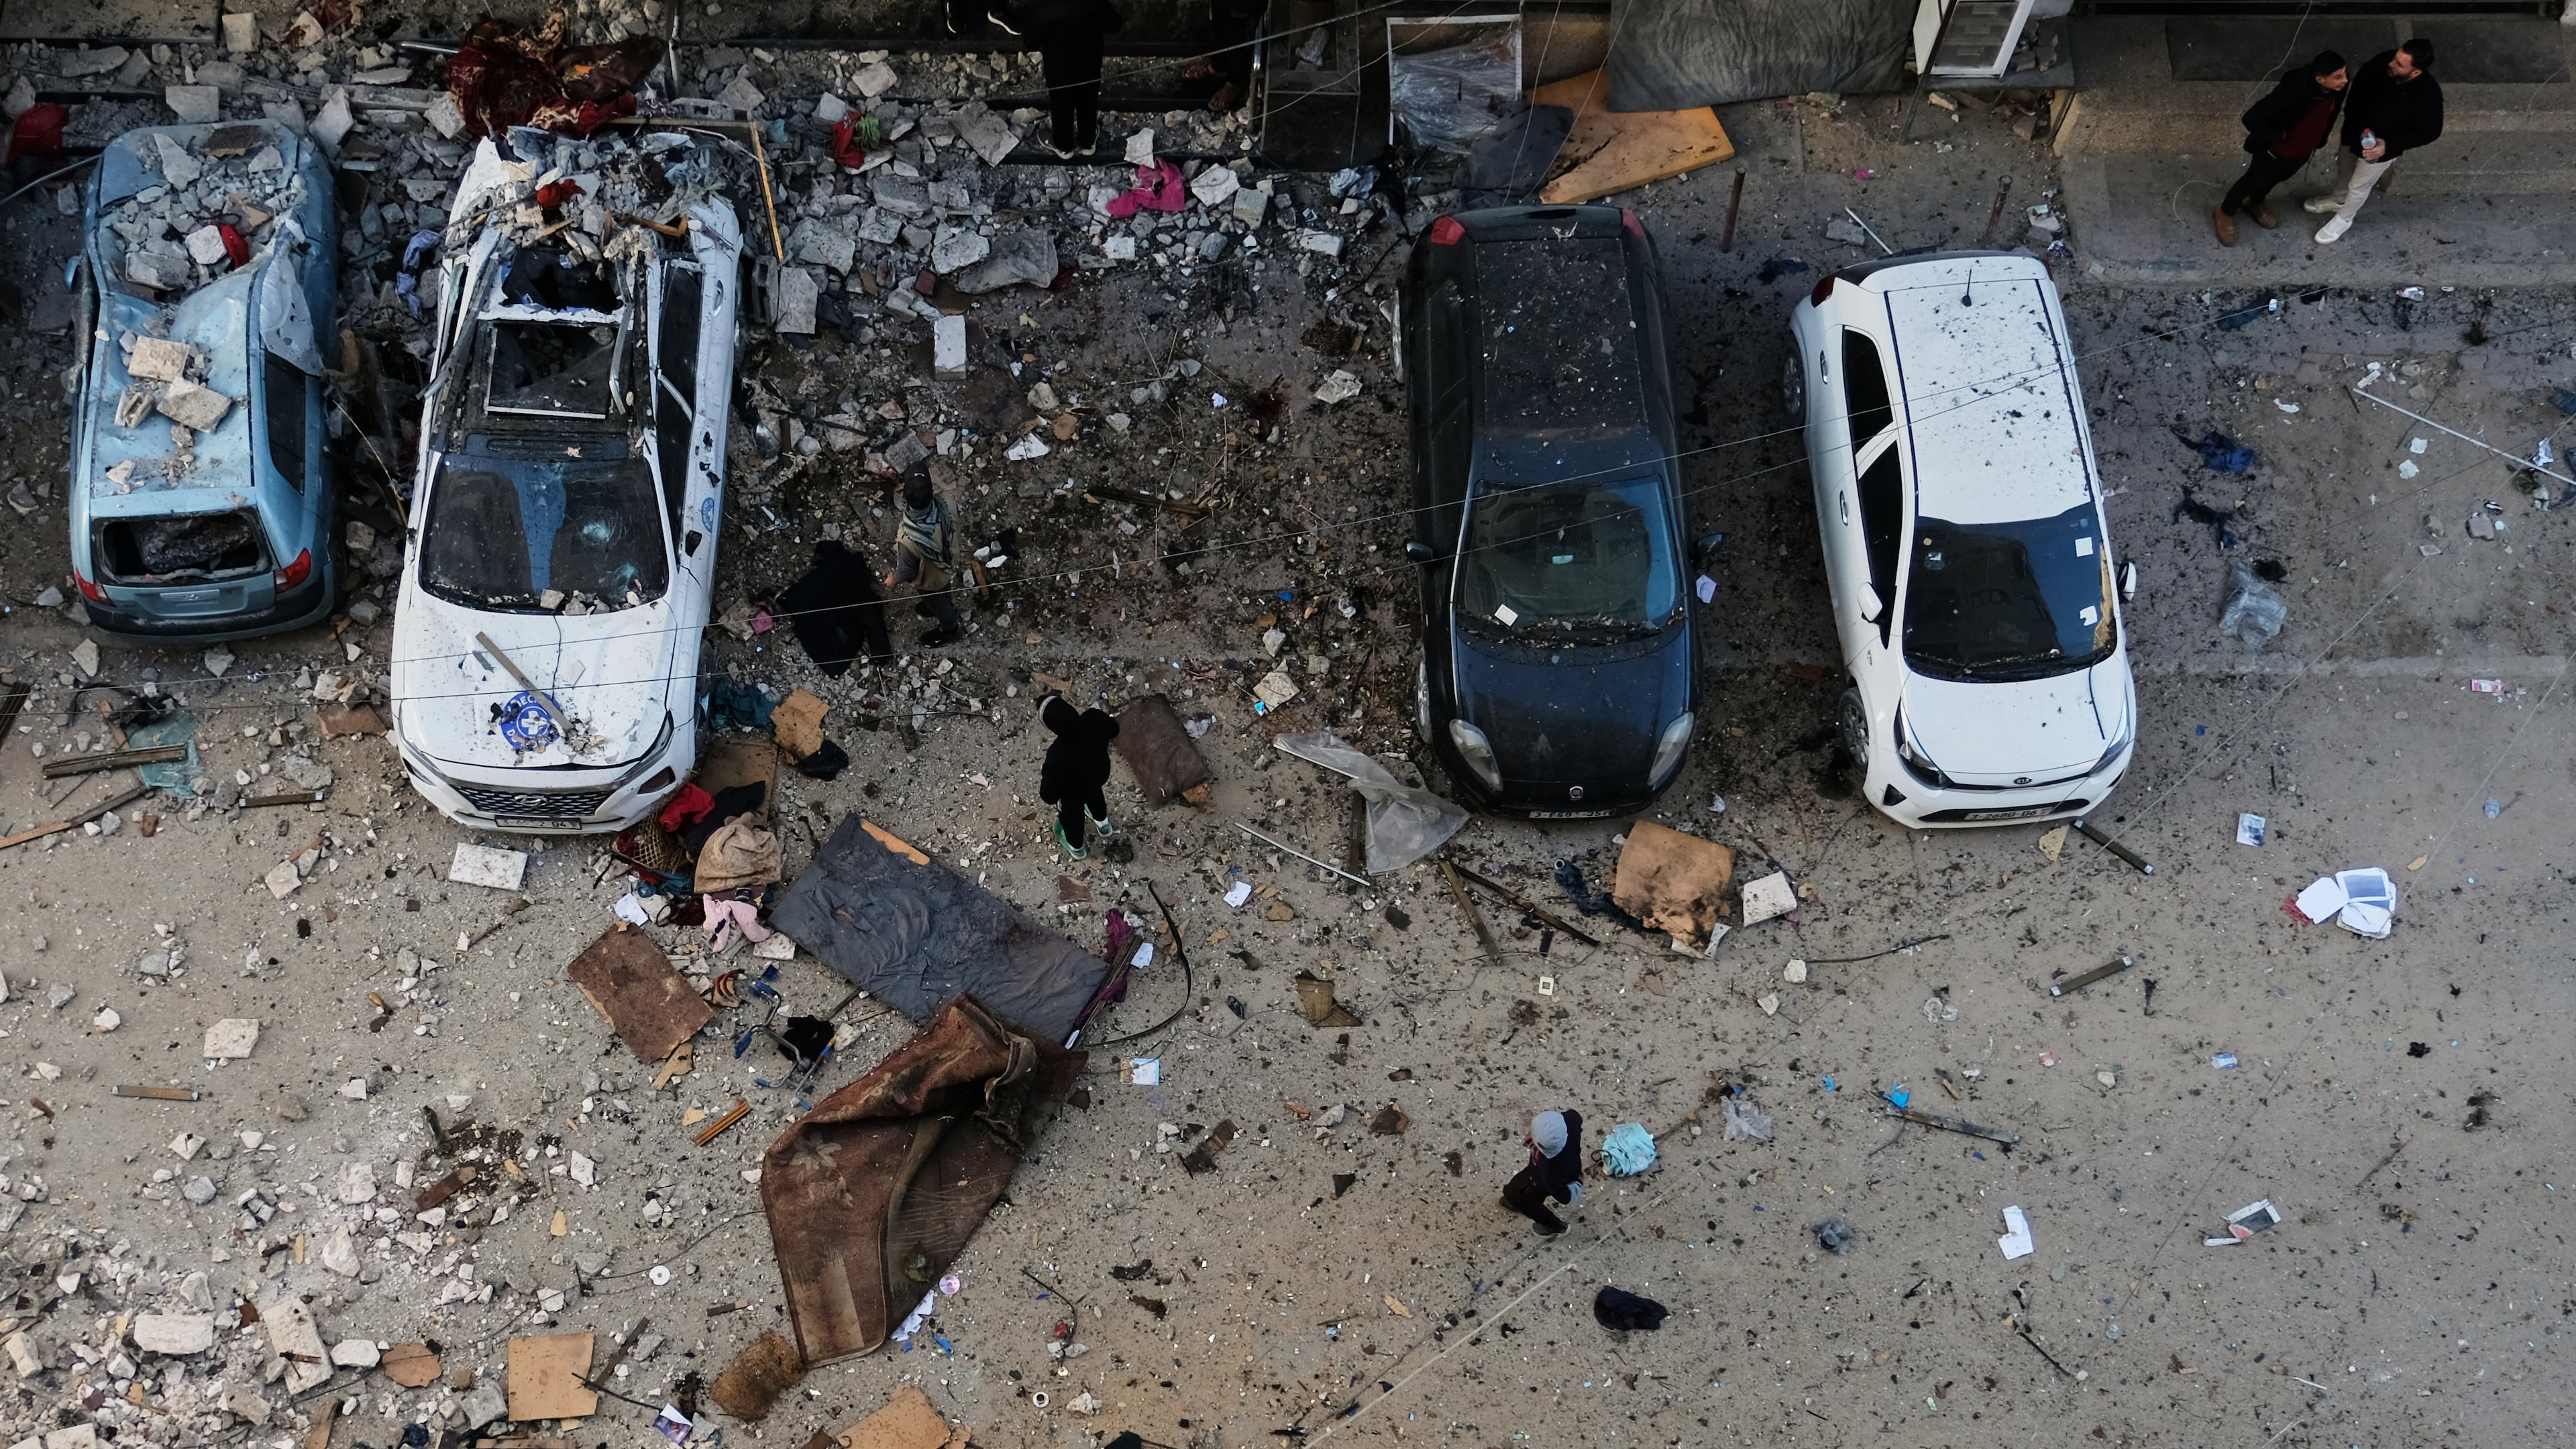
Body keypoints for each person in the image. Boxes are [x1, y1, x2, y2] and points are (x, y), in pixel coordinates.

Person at [2304, 40, 2443, 246]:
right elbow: (2358, 85)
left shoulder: (2428, 95)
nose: (2392, 64)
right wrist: (2350, 116)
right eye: (2396, 58)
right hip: (2353, 133)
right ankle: (2338, 199)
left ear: (2415, 73)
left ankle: (2344, 219)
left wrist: (2389, 145)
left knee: (2360, 185)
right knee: (2344, 167)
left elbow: (2431, 132)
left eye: (2399, 64)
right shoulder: (2383, 61)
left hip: (2380, 149)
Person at [2214, 51, 2347, 247]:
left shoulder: (2337, 89)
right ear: (2320, 79)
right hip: (2275, 151)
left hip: (2302, 151)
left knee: (2277, 179)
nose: (2344, 80)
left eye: (2344, 74)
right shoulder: (2293, 90)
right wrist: (2279, 136)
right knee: (2251, 181)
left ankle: (2255, 202)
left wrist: (2321, 139)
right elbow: (2252, 118)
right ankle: (2225, 212)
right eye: (2338, 77)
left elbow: (2332, 113)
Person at [1014, 0, 1123, 156]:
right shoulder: (1095, 4)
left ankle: (1064, 146)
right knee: (1088, 101)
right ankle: (1088, 142)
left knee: (1061, 105)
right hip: (1089, 65)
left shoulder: (1043, 8)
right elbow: (1115, 25)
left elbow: (1030, 43)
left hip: (1059, 69)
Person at [883, 464, 963, 648]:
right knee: (944, 591)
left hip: (930, 579)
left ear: (904, 497)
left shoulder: (909, 537)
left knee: (937, 602)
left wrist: (893, 580)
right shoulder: (947, 503)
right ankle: (941, 606)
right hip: (948, 559)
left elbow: (906, 571)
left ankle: (951, 631)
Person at [1038, 692, 1119, 858]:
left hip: (1074, 794)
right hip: (1099, 774)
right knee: (1095, 796)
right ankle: (1104, 825)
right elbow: (1114, 729)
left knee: (1072, 818)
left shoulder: (1057, 754)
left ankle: (1077, 848)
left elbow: (1049, 796)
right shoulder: (1094, 717)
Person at [1501, 1108, 1584, 1235]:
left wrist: (1578, 1183)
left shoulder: (1549, 1171)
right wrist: (1538, 1135)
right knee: (1518, 1190)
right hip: (1562, 1169)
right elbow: (1570, 1119)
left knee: (1527, 1202)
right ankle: (1515, 1199)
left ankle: (1554, 1226)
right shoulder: (1571, 1121)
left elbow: (1565, 1197)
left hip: (1540, 1181)